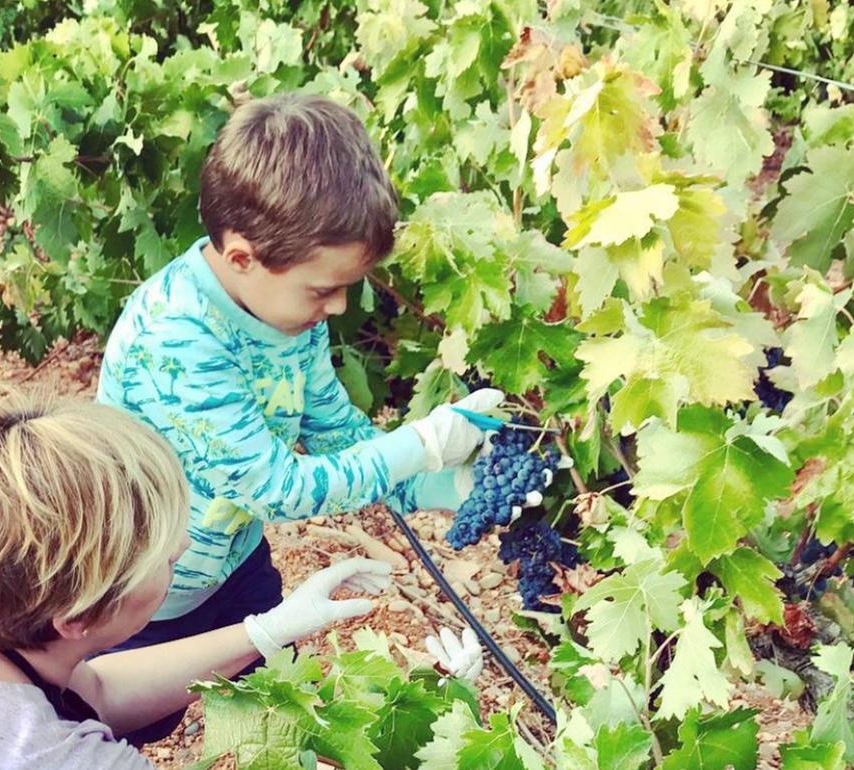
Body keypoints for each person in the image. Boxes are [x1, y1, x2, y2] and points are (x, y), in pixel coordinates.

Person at [95, 92, 534, 741]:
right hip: (137, 601)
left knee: (276, 717)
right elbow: (278, 489)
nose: (337, 307)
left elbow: (339, 435)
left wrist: (449, 486)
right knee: (119, 734)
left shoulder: (284, 313)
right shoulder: (176, 340)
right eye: (323, 288)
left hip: (232, 562)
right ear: (243, 256)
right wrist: (424, 442)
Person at [0, 389, 478, 769]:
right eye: (165, 560)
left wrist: (266, 632)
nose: (186, 545)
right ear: (79, 619)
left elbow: (96, 693)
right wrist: (448, 722)